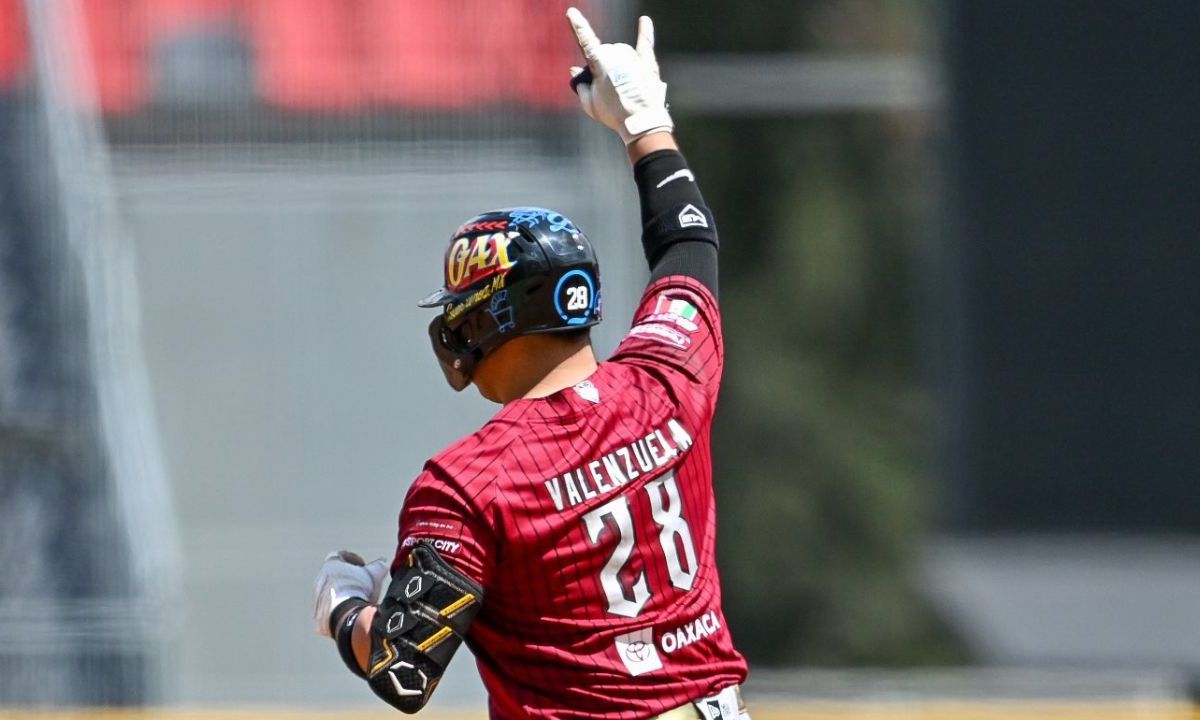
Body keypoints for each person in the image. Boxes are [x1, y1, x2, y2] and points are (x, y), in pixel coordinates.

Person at [312, 8, 749, 719]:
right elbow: (688, 244)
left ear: (489, 318)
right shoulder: (666, 379)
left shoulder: (468, 484)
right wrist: (645, 125)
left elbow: (403, 668)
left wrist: (344, 606)